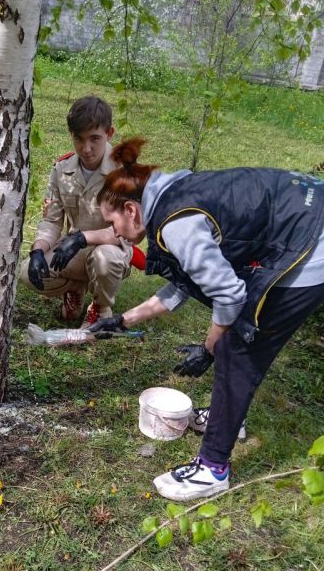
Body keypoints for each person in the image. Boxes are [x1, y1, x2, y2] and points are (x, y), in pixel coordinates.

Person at [87, 137, 324, 501]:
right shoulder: (173, 193)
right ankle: (228, 417)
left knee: (239, 347)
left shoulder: (175, 224)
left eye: (113, 221)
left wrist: (211, 346)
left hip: (310, 241)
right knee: (236, 343)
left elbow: (229, 294)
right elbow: (188, 281)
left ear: (132, 210)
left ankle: (212, 469)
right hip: (306, 213)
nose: (114, 232)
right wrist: (123, 321)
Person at [19, 96, 145, 329]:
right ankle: (75, 288)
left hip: (112, 250)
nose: (86, 149)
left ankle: (101, 308)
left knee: (104, 260)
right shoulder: (62, 169)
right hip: (73, 249)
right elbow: (52, 221)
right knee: (27, 272)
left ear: (109, 134)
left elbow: (129, 230)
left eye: (94, 139)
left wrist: (81, 238)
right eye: (79, 139)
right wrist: (38, 250)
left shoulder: (125, 172)